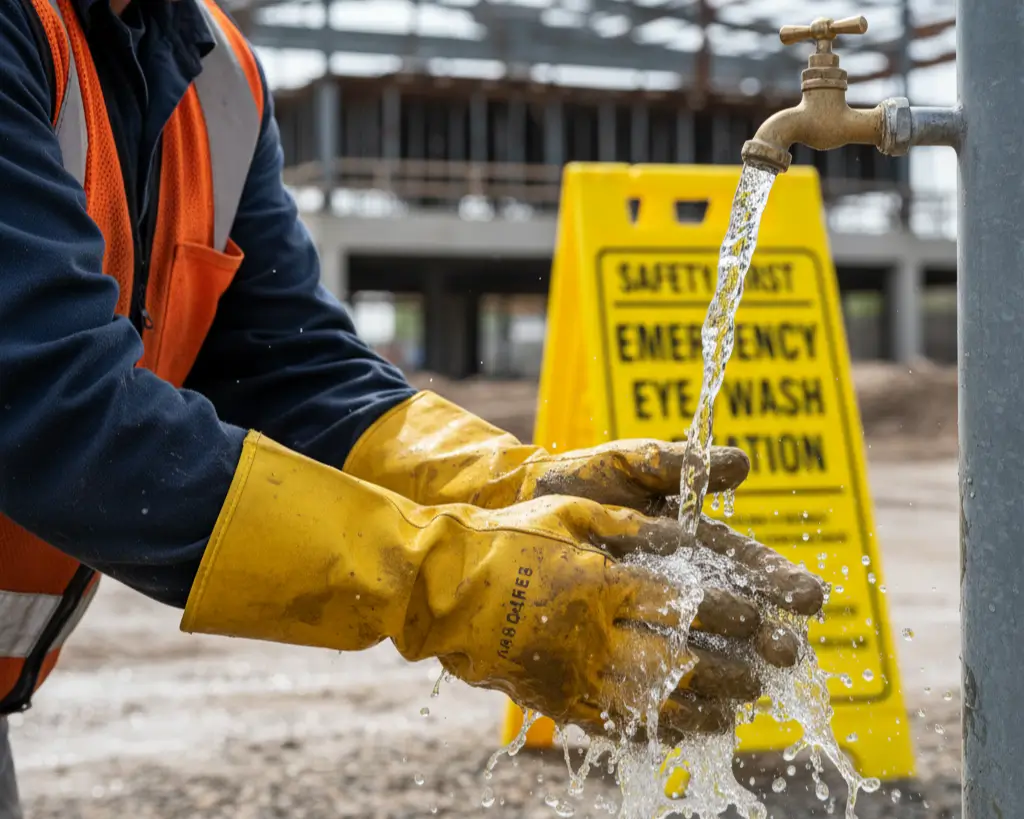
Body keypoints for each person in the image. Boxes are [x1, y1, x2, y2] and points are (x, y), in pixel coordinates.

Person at [0, 0, 826, 812]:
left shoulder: (215, 72)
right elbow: (46, 401)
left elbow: (285, 369)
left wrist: (510, 489)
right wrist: (460, 584)